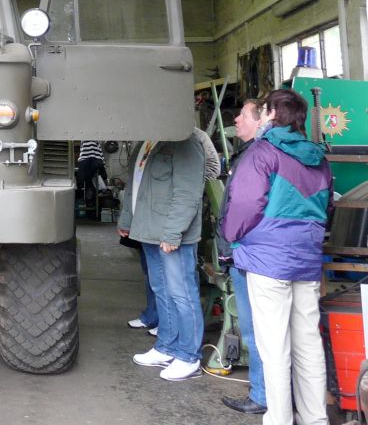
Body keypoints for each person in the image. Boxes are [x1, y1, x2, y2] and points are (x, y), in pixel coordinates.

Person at [221, 89, 332, 425]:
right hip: (307, 258)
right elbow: (326, 206)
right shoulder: (318, 157)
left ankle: (280, 419)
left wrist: (232, 237)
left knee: (274, 348)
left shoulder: (263, 152)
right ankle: (315, 419)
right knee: (308, 345)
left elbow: (244, 204)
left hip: (268, 261)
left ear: (270, 114)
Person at [118, 133, 206, 381]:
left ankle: (189, 356)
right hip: (148, 229)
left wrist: (173, 232)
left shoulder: (185, 142)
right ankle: (166, 347)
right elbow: (134, 187)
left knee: (182, 293)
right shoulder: (145, 142)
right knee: (162, 290)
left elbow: (188, 193)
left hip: (170, 233)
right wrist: (127, 220)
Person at [217, 99, 268, 415]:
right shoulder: (251, 153)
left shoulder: (256, 156)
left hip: (248, 255)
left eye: (242, 115)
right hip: (250, 253)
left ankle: (262, 395)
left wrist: (231, 242)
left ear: (261, 120)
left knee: (255, 329)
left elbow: (245, 208)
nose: (236, 119)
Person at [76, 140, 108, 220]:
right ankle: (95, 195)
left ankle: (84, 190)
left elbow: (82, 152)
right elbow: (100, 152)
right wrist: (103, 165)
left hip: (86, 162)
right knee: (92, 181)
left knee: (87, 181)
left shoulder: (83, 140)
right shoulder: (96, 140)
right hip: (96, 162)